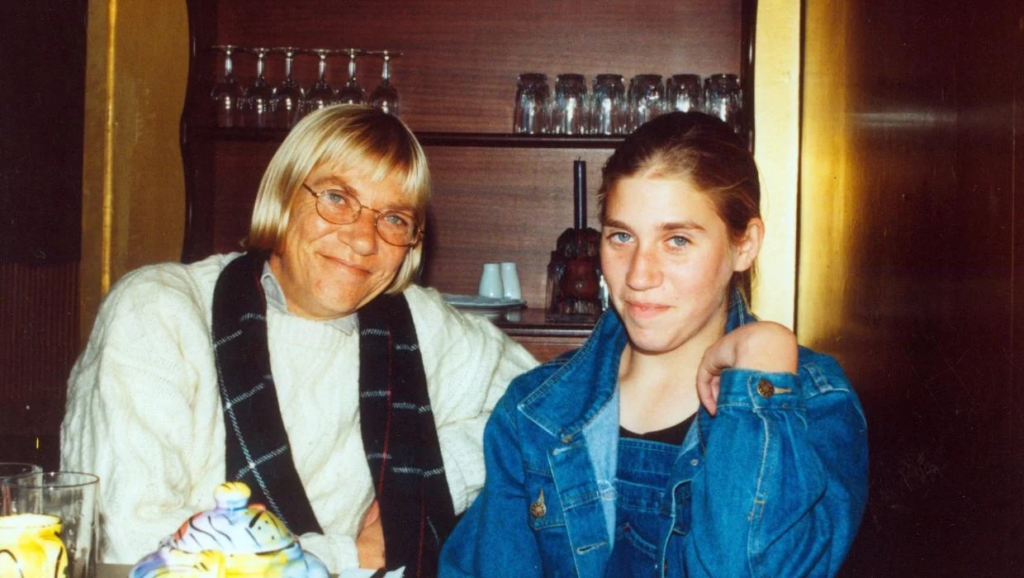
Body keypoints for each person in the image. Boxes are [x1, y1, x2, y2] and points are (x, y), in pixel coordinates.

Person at [60, 105, 538, 576]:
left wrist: (420, 487)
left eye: (394, 218)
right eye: (337, 198)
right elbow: (132, 540)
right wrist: (347, 555)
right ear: (284, 195)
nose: (364, 239)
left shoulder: (415, 323)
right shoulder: (160, 311)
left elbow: (542, 409)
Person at [439, 112, 869, 577]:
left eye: (677, 240)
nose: (639, 275)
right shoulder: (533, 412)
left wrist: (761, 372)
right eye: (621, 236)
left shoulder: (814, 406)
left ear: (744, 245)